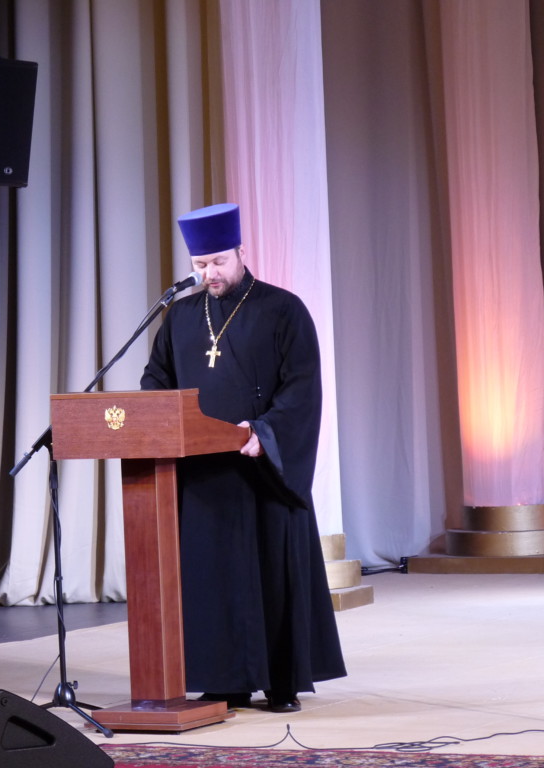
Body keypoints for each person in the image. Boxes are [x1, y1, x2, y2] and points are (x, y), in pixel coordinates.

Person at [140, 202, 346, 713]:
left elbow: (303, 388)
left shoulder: (283, 309)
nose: (209, 273)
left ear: (241, 253)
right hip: (203, 475)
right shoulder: (180, 316)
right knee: (212, 580)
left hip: (262, 469)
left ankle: (281, 683)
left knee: (271, 575)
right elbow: (156, 381)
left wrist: (264, 431)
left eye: (218, 262)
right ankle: (224, 681)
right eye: (200, 264)